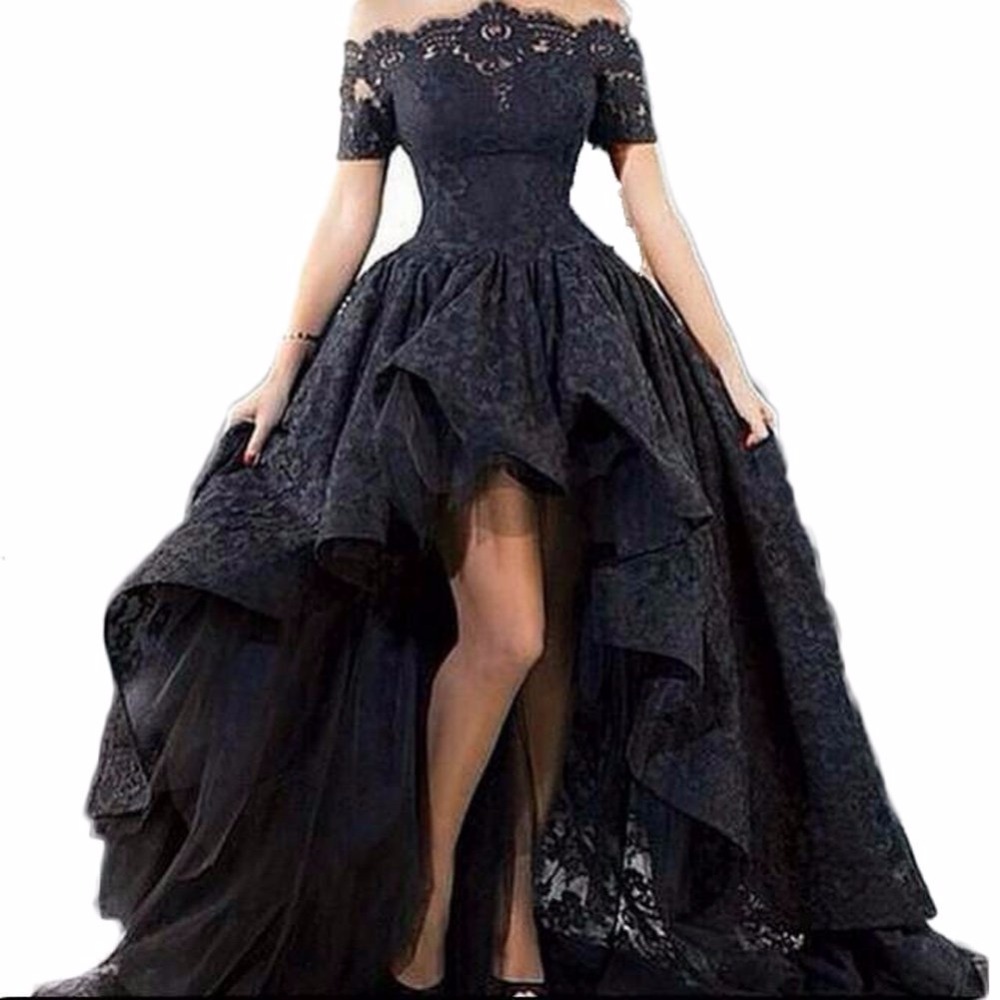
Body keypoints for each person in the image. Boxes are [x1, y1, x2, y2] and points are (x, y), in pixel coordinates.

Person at [31, 1, 989, 996]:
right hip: (445, 339)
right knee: (511, 631)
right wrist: (286, 364)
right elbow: (352, 202)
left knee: (553, 646)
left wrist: (728, 365)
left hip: (581, 337)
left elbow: (649, 201)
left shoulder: (596, 11)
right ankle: (428, 900)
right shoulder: (383, 13)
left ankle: (515, 920)